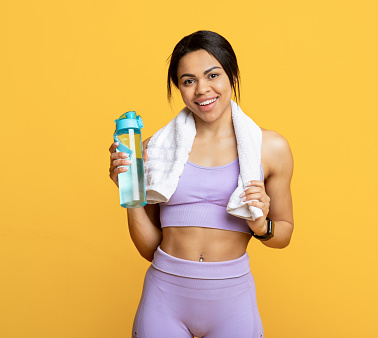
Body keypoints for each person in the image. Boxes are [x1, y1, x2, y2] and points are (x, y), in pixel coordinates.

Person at [108, 30, 294, 338]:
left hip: (232, 300)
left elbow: (284, 232)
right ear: (178, 88)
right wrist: (131, 192)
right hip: (165, 296)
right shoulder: (157, 150)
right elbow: (149, 248)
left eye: (212, 75)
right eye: (188, 80)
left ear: (232, 76)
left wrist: (263, 226)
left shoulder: (269, 148)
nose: (202, 89)